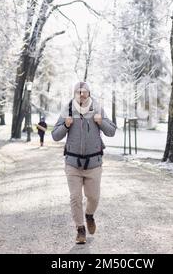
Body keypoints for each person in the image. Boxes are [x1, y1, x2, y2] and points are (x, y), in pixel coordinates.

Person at [52, 82, 116, 244]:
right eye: (78, 92)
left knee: (93, 197)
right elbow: (55, 136)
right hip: (72, 163)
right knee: (75, 197)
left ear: (89, 93)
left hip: (93, 163)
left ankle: (89, 215)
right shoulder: (67, 110)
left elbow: (112, 131)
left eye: (85, 92)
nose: (81, 94)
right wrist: (65, 126)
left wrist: (101, 122)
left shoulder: (98, 109)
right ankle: (80, 229)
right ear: (74, 93)